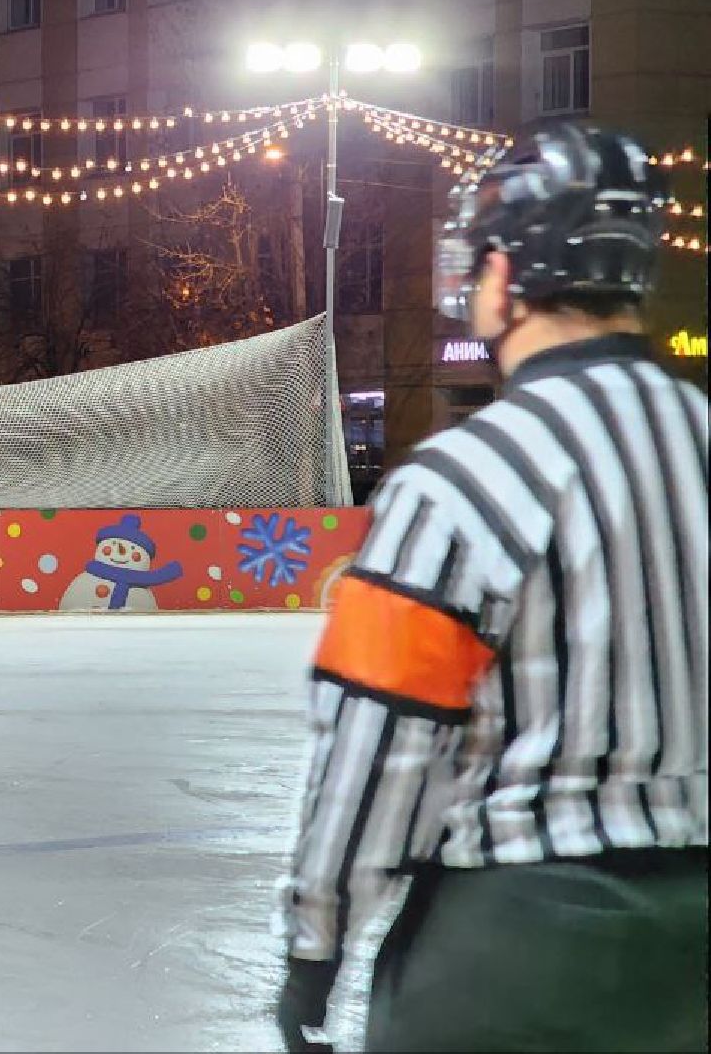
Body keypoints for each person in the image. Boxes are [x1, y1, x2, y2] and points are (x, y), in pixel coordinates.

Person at [275, 124, 706, 1053]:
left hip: (517, 945)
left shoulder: (463, 478)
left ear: (506, 272)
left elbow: (377, 740)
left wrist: (315, 947)